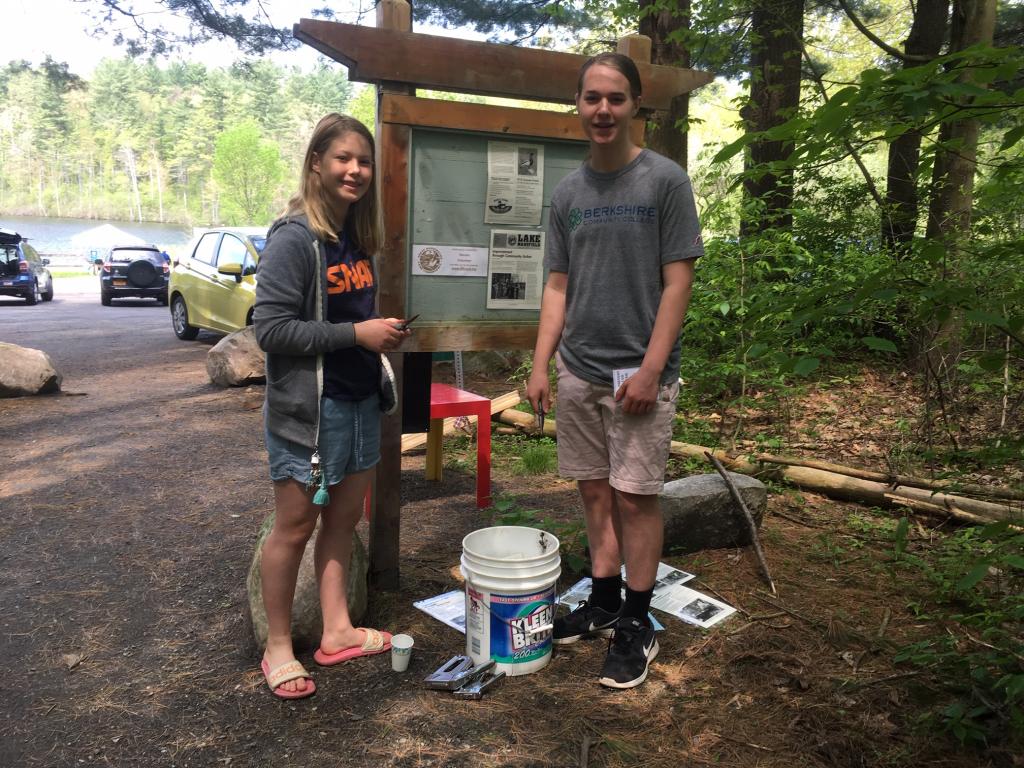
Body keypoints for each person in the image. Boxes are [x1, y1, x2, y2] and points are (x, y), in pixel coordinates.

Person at [526, 53, 703, 689]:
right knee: (594, 490)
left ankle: (636, 621)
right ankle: (601, 600)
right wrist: (542, 363)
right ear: (578, 104)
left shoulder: (664, 182)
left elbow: (678, 283)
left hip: (639, 375)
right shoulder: (568, 193)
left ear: (635, 106)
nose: (603, 110)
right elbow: (556, 286)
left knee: (635, 496)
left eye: (616, 99)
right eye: (592, 98)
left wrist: (653, 371)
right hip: (579, 370)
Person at [252, 113, 410, 700]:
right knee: (294, 527)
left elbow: (347, 319)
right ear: (316, 162)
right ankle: (277, 648)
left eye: (363, 161)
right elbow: (268, 330)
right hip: (310, 415)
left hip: (360, 401)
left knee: (343, 522)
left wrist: (376, 334)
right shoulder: (294, 239)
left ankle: (337, 631)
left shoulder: (356, 239)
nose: (355, 170)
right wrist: (355, 335)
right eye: (343, 158)